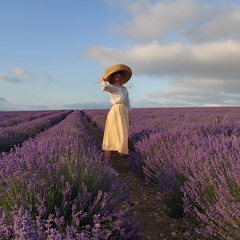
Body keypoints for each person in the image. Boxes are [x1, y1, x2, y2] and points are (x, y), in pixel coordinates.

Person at [99, 64, 132, 164]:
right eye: (115, 74)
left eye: (119, 73)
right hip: (116, 112)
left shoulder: (125, 89)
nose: (117, 75)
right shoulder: (112, 87)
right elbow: (104, 86)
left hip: (124, 112)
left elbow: (127, 103)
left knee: (122, 137)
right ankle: (106, 163)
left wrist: (129, 116)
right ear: (112, 77)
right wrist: (102, 79)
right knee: (111, 136)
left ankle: (123, 161)